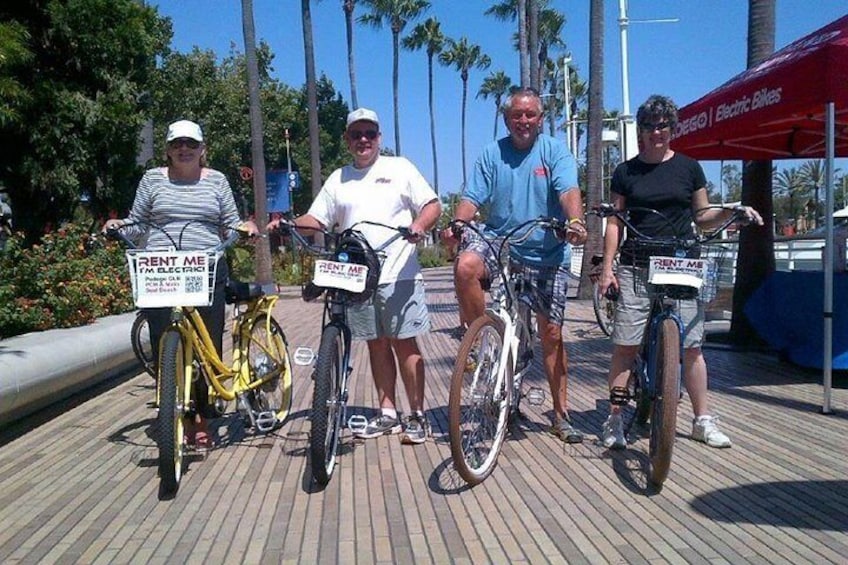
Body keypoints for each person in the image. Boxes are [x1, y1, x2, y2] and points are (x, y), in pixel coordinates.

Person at [598, 94, 763, 450]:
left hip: (681, 262)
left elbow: (702, 218)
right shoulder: (626, 172)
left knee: (692, 348)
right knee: (626, 346)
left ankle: (702, 419)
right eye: (649, 125)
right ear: (640, 130)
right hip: (637, 263)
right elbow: (615, 222)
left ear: (672, 129)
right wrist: (607, 268)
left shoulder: (689, 168)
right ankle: (614, 418)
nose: (656, 132)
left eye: (663, 125)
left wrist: (731, 210)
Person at [269, 108, 441, 445]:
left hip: (398, 272)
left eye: (370, 134)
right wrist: (286, 222)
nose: (363, 139)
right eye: (356, 134)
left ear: (379, 138)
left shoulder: (399, 168)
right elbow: (317, 219)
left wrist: (419, 225)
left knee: (404, 343)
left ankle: (418, 415)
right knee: (376, 343)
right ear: (347, 140)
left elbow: (432, 204)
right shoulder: (339, 178)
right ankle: (388, 413)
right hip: (357, 275)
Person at [441, 86, 587, 443]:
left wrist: (576, 223)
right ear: (506, 119)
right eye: (516, 115)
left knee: (551, 335)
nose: (523, 121)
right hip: (500, 242)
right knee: (465, 266)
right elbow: (472, 198)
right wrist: (458, 225)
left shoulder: (555, 152)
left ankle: (560, 414)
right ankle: (482, 340)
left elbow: (568, 191)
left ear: (540, 118)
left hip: (545, 250)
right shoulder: (493, 153)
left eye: (530, 114)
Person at [103, 119, 258, 450]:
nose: (183, 149)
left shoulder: (216, 181)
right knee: (163, 343)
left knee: (207, 343)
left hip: (206, 266)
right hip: (159, 269)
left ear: (202, 149)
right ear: (167, 150)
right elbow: (137, 223)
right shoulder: (152, 180)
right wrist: (118, 226)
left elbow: (229, 223)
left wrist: (243, 228)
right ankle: (175, 413)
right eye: (177, 144)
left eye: (190, 144)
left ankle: (201, 417)